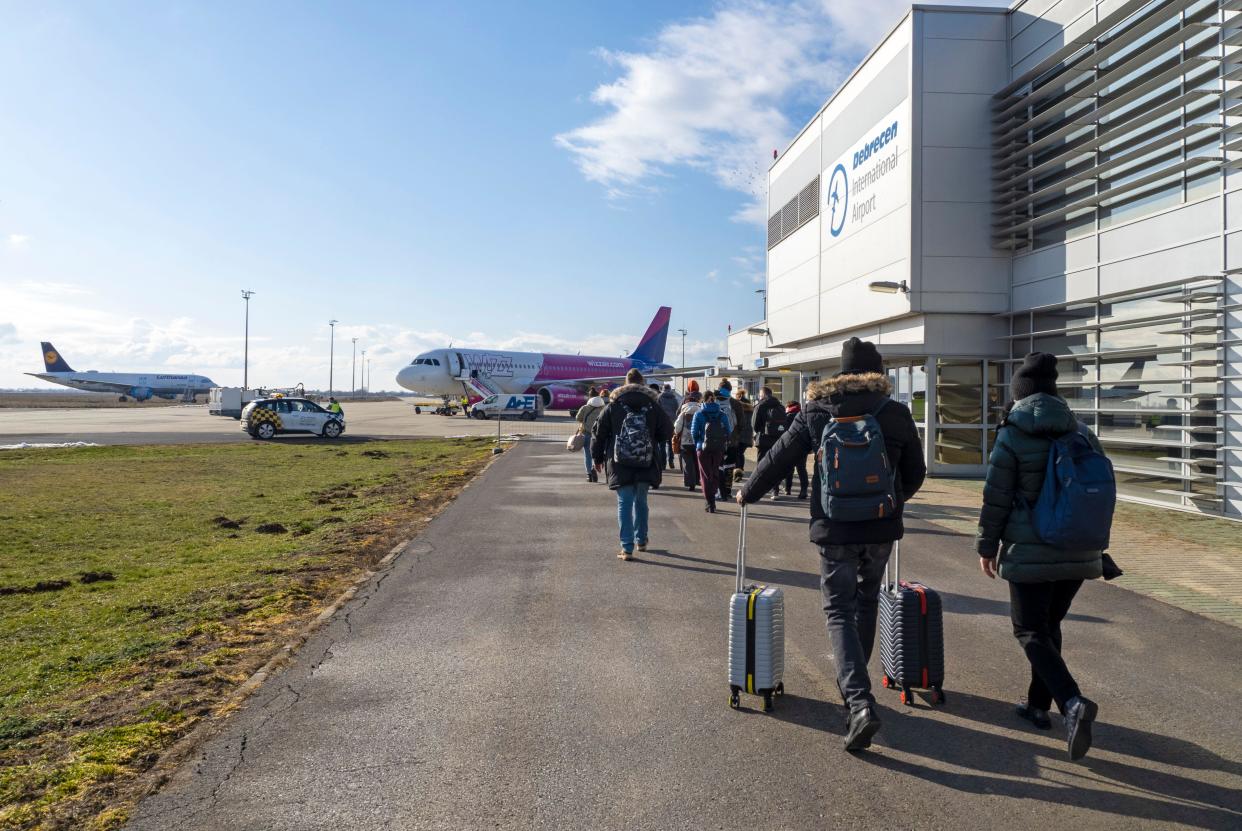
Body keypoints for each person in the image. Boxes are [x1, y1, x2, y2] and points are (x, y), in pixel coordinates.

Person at [736, 338, 925, 752]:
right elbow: (916, 472)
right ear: (877, 374)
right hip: (879, 528)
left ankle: (857, 702)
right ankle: (856, 694)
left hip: (834, 526)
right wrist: (890, 502)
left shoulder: (817, 411)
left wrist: (749, 490)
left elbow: (779, 457)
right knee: (866, 602)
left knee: (838, 609)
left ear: (840, 373)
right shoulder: (894, 413)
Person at [976, 352, 1104, 761]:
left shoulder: (1012, 433)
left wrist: (986, 545)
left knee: (1029, 630)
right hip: (1079, 549)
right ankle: (1037, 705)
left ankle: (1071, 702)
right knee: (1048, 627)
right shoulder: (1082, 431)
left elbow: (995, 497)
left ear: (1020, 396)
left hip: (1030, 550)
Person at [592, 368, 674, 560]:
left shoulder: (614, 405)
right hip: (645, 459)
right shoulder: (653, 405)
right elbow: (667, 430)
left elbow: (599, 433)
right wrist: (653, 441)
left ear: (625, 383)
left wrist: (597, 458)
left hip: (620, 461)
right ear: (642, 383)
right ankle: (642, 540)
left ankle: (626, 547)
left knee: (624, 502)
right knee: (641, 501)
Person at [691, 391, 731, 512]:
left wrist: (698, 443)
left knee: (705, 475)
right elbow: (728, 432)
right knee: (715, 473)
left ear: (703, 400)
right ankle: (712, 498)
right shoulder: (722, 414)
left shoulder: (699, 414)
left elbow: (694, 432)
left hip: (703, 449)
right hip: (718, 448)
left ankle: (710, 502)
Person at [751, 387, 786, 499]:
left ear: (764, 395)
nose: (759, 397)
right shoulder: (780, 406)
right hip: (777, 440)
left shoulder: (760, 406)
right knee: (775, 465)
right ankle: (775, 491)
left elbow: (754, 425)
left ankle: (758, 489)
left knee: (761, 465)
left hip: (763, 440)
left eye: (760, 395)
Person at [715, 381, 742, 500]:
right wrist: (736, 435)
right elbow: (741, 423)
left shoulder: (713, 401)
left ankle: (718, 490)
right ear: (730, 390)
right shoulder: (736, 403)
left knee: (718, 465)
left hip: (716, 440)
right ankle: (727, 490)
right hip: (732, 440)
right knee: (729, 466)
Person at [673, 390, 703, 491]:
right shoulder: (700, 411)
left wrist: (677, 433)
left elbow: (677, 427)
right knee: (697, 461)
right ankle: (698, 480)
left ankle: (690, 483)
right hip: (698, 441)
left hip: (685, 442)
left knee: (687, 462)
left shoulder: (683, 412)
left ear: (686, 402)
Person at [575, 387, 607, 482]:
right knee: (600, 455)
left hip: (587, 434)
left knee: (588, 455)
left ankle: (589, 475)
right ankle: (596, 468)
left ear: (590, 397)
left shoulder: (585, 408)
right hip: (600, 436)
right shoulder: (604, 408)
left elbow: (578, 418)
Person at [782, 400, 808, 498]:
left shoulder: (787, 416)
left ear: (788, 407)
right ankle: (803, 490)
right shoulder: (804, 417)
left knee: (789, 468)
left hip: (790, 445)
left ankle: (787, 489)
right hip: (803, 446)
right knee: (801, 469)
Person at [734, 386, 756, 482]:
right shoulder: (751, 408)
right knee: (740, 453)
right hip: (747, 436)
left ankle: (738, 472)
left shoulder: (737, 407)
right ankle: (740, 471)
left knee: (737, 453)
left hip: (738, 435)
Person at [658, 384, 681, 471]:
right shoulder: (674, 399)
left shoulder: (659, 398)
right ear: (670, 389)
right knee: (671, 443)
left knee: (662, 445)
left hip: (662, 424)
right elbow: (677, 411)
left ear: (663, 389)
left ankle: (663, 464)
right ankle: (671, 461)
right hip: (672, 423)